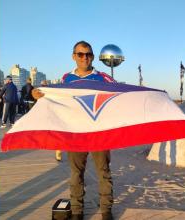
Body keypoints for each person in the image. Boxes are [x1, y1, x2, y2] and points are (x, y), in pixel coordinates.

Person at [33, 41, 115, 220]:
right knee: (76, 174)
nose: (85, 57)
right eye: (80, 54)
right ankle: (77, 212)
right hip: (75, 134)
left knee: (104, 172)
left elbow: (119, 97)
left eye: (88, 54)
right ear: (73, 56)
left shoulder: (103, 78)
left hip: (98, 134)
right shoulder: (66, 79)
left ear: (93, 57)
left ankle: (106, 211)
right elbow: (56, 101)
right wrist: (38, 96)